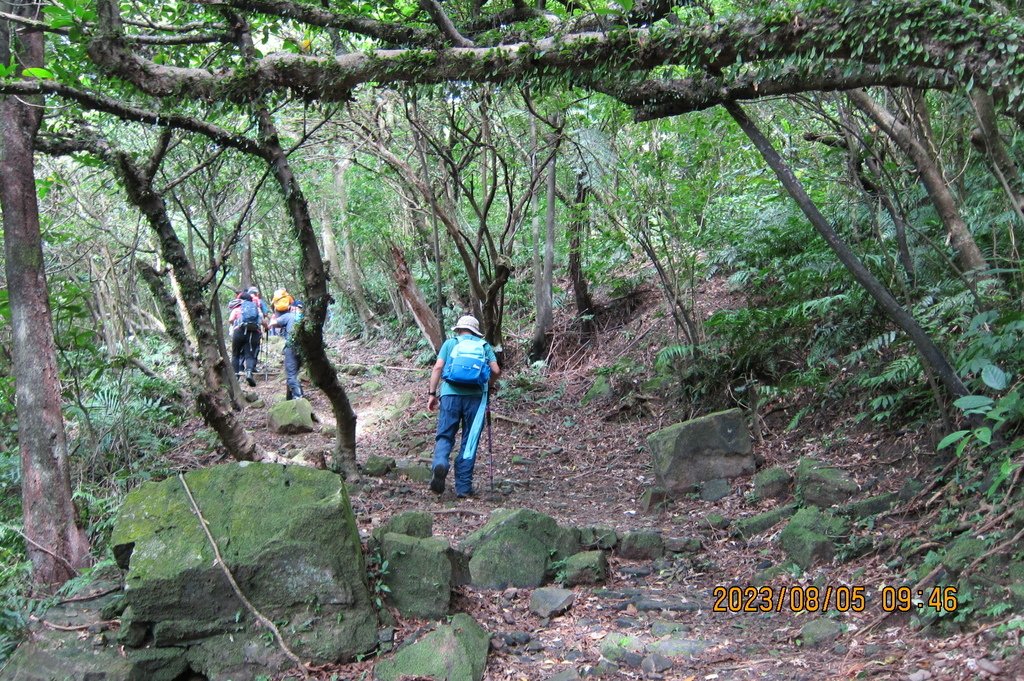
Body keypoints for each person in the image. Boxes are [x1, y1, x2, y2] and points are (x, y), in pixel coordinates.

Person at [426, 315, 501, 498]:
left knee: (445, 434)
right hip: (475, 398)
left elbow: (437, 368)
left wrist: (432, 394)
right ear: (475, 331)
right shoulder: (484, 346)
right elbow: (496, 370)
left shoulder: (450, 344)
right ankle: (463, 488)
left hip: (450, 395)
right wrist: (489, 385)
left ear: (459, 329)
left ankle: (440, 463)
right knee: (469, 441)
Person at [269, 300, 304, 400]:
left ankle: (298, 398)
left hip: (291, 347)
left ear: (292, 307)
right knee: (295, 373)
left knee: (291, 374)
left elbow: (273, 323)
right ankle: (292, 396)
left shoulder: (289, 316)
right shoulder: (306, 318)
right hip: (304, 349)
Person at [228, 291, 263, 386]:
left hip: (239, 331)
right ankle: (249, 373)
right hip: (253, 333)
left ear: (241, 299)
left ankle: (236, 376)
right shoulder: (256, 308)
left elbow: (230, 319)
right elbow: (262, 321)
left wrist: (234, 324)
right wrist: (266, 327)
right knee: (249, 355)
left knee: (235, 354)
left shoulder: (238, 308)